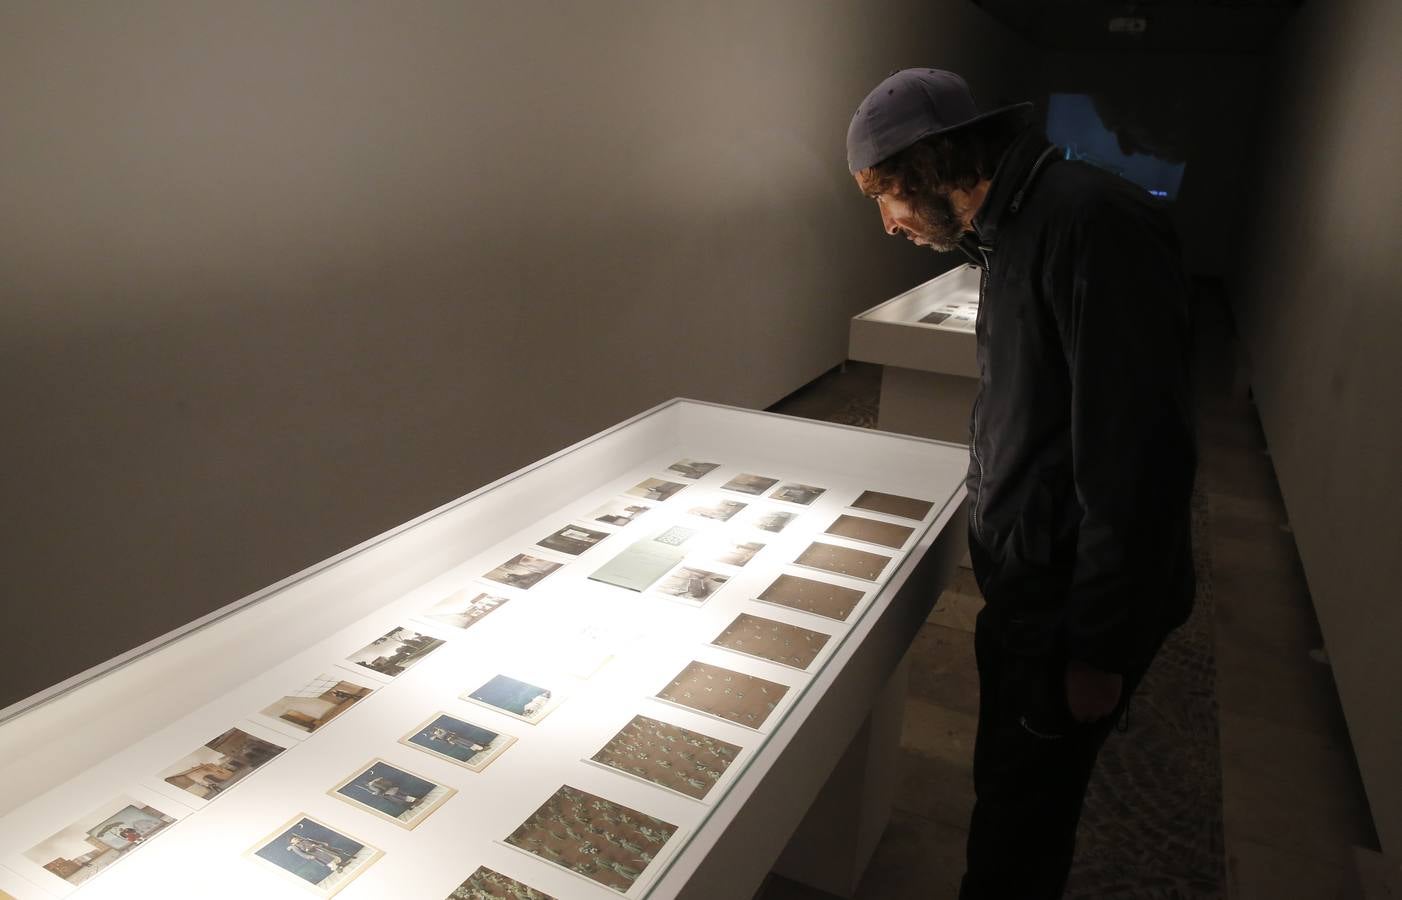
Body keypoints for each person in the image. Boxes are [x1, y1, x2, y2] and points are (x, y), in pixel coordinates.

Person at [846, 69, 1196, 898]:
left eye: (884, 196)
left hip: (1068, 601)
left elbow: (1135, 456)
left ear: (931, 163)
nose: (890, 224)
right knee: (1008, 784)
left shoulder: (1089, 225)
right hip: (1036, 583)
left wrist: (1098, 647)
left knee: (1024, 816)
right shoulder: (1018, 231)